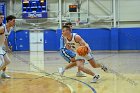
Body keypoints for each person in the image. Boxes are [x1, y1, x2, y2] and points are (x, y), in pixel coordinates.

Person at [0, 14, 16, 78]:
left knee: (7, 61)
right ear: (9, 21)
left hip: (2, 45)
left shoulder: (11, 28)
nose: (14, 22)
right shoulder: (3, 27)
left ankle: (3, 73)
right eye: (13, 21)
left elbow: (5, 38)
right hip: (0, 45)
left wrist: (7, 47)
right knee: (2, 62)